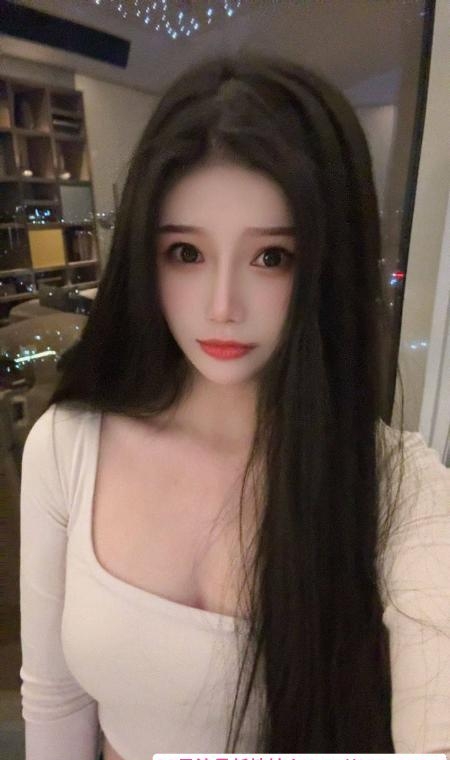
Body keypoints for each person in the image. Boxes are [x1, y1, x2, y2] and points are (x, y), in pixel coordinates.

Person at [19, 53, 450, 760]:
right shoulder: (68, 446)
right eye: (186, 253)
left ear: (324, 266)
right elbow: (56, 703)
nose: (222, 306)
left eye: (271, 257)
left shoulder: (398, 487)